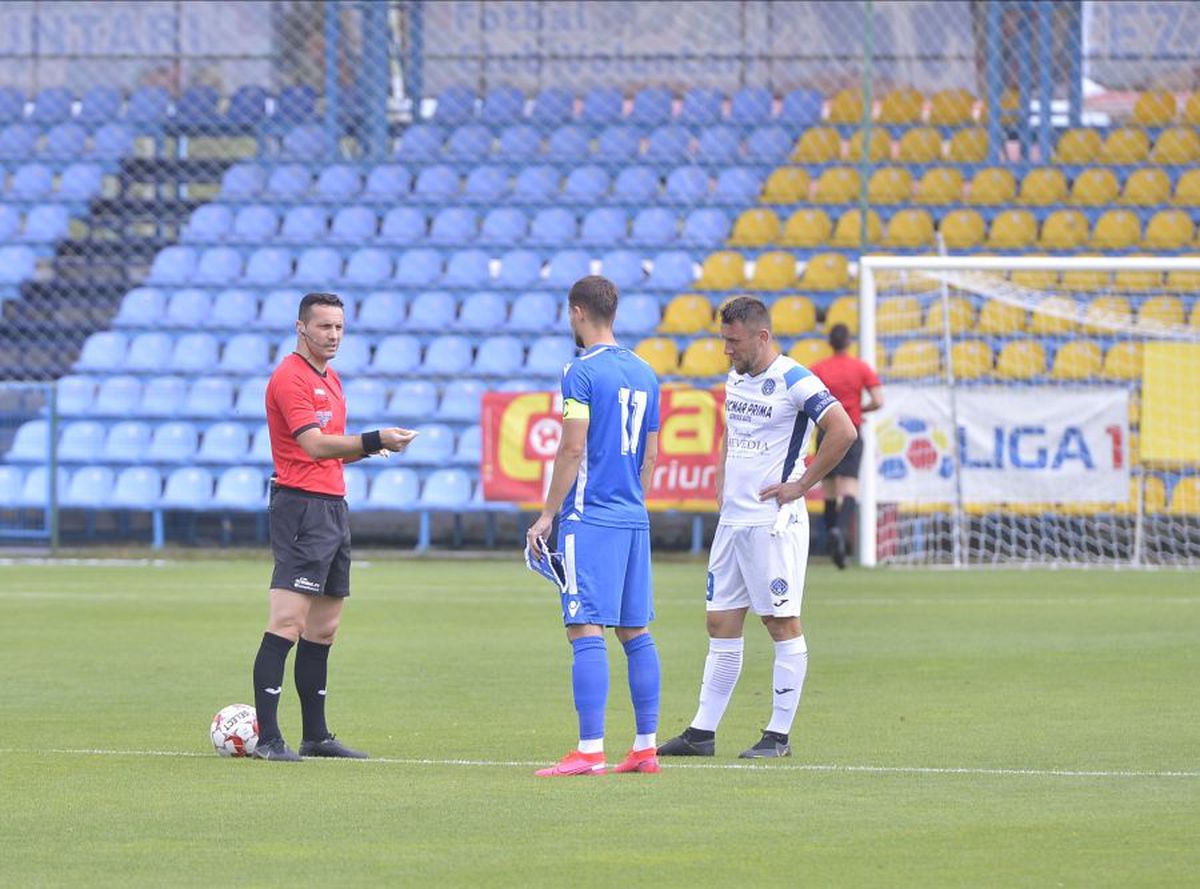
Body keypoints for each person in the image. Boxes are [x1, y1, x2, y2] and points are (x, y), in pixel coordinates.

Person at [658, 296, 856, 760]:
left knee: (780, 621)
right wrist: (721, 476)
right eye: (723, 340)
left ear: (762, 337)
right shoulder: (736, 377)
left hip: (772, 523)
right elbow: (731, 430)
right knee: (720, 621)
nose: (726, 349)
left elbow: (843, 430)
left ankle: (778, 737)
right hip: (734, 521)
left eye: (733, 341)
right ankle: (701, 733)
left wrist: (802, 484)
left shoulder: (795, 379)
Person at [251, 292, 417, 761]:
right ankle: (267, 738)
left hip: (332, 506)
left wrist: (367, 449)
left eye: (340, 327)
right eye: (324, 327)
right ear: (301, 328)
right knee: (287, 621)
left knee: (324, 629)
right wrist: (372, 438)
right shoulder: (289, 378)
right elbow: (314, 446)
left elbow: (332, 448)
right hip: (301, 508)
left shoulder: (332, 379)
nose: (334, 336)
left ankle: (316, 736)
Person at [526, 275, 663, 777]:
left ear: (576, 312)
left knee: (584, 627)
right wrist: (631, 499)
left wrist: (547, 515)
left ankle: (590, 750)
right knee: (635, 630)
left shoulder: (579, 372)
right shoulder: (646, 372)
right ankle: (645, 747)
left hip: (591, 517)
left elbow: (572, 446)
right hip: (633, 516)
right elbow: (650, 454)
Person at [810, 323, 884, 569]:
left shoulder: (819, 368)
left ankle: (832, 535)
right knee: (849, 488)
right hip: (851, 431)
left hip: (826, 432)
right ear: (848, 342)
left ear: (829, 343)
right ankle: (840, 531)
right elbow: (878, 400)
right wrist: (858, 409)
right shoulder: (860, 367)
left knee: (829, 490)